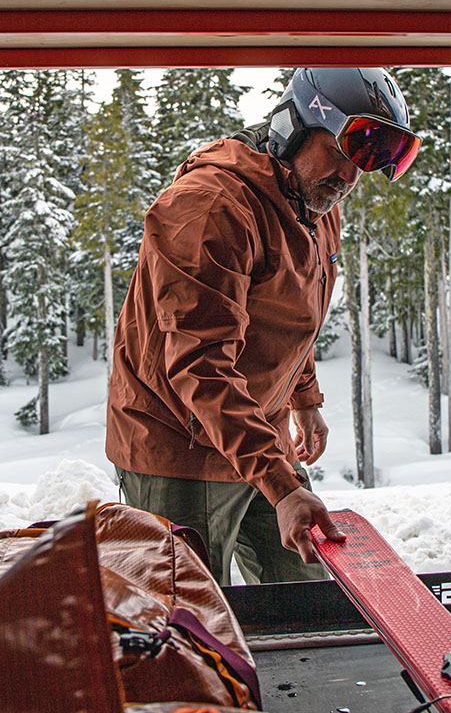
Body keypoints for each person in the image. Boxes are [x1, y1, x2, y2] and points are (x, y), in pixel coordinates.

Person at [105, 67, 421, 585]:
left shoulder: (314, 202)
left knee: (305, 588)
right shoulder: (209, 208)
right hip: (177, 444)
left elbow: (289, 316)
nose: (348, 178)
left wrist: (304, 398)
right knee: (190, 616)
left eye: (364, 162)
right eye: (344, 150)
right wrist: (281, 484)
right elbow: (199, 364)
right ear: (295, 124)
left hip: (254, 432)